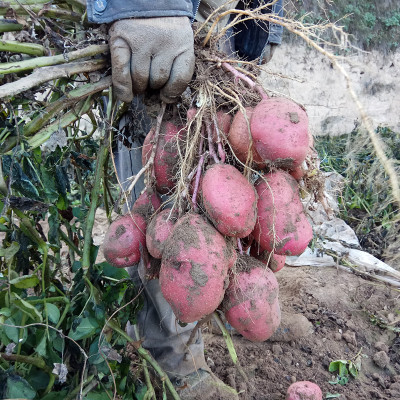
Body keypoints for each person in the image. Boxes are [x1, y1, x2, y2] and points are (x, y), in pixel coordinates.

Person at [86, 1, 283, 398]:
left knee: (231, 184)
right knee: (165, 194)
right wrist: (148, 6)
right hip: (162, 28)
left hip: (226, 36)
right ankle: (174, 358)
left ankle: (229, 305)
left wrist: (265, 31)